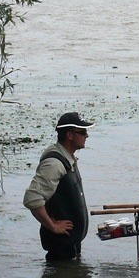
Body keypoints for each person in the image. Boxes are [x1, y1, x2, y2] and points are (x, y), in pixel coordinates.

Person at [24, 111, 95, 261]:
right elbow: (32, 198)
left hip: (70, 246)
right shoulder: (55, 163)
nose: (86, 136)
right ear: (69, 135)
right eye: (82, 132)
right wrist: (53, 226)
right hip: (61, 249)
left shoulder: (66, 157)